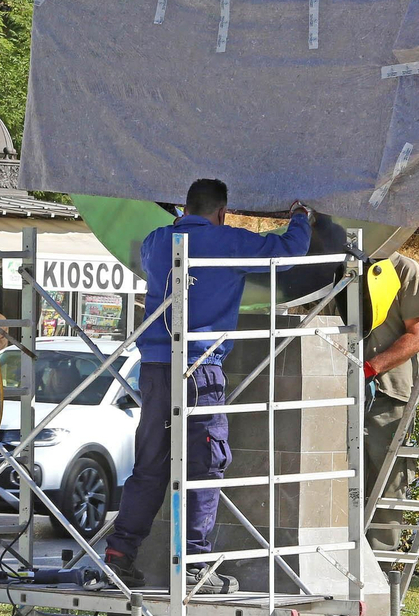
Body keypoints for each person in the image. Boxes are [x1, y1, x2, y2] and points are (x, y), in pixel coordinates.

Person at [105, 179, 312, 593]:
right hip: (200, 369)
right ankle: (196, 565)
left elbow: (168, 244)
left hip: (156, 369)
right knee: (204, 465)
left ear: (185, 206)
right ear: (222, 211)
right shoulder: (229, 242)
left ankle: (119, 554)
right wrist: (301, 219)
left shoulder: (156, 241)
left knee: (150, 465)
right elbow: (288, 254)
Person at [360, 253, 419, 552]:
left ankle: (381, 579)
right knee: (333, 488)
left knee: (387, 491)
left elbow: (418, 336)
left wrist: (369, 368)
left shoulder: (404, 269)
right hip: (337, 394)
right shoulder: (339, 260)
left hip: (388, 399)